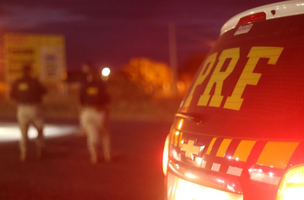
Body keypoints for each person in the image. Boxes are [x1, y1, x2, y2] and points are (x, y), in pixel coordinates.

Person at [10, 64, 47, 161]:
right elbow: (44, 91)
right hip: (34, 108)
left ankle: (24, 153)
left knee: (23, 132)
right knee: (40, 129)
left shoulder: (17, 82)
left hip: (21, 108)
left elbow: (12, 95)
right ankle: (40, 149)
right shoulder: (34, 81)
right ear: (30, 71)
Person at [79, 67, 111, 164]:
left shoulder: (84, 85)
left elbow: (80, 101)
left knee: (92, 134)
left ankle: (95, 156)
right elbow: (108, 99)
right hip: (98, 112)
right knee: (104, 134)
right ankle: (106, 155)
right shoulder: (101, 85)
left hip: (88, 112)